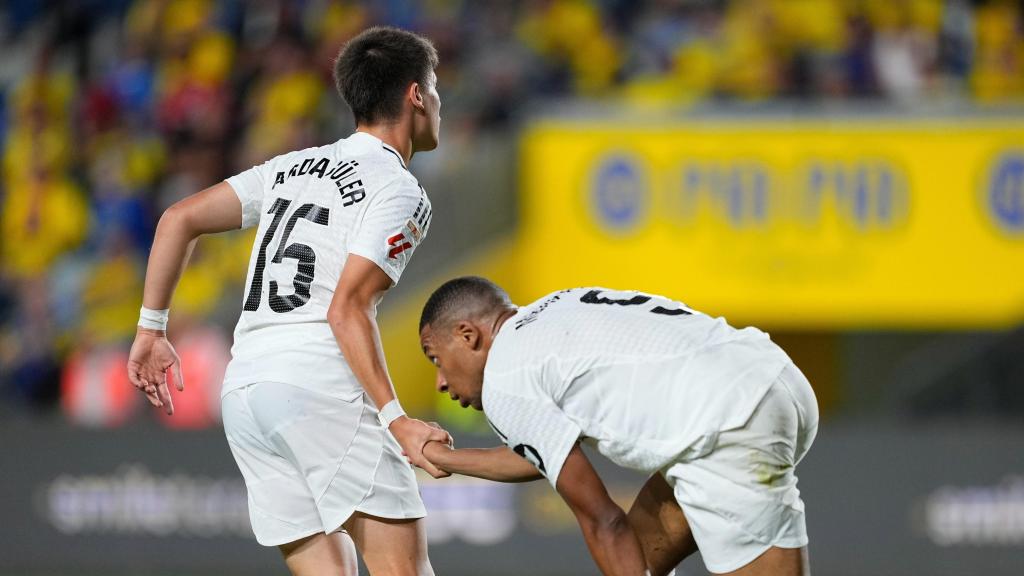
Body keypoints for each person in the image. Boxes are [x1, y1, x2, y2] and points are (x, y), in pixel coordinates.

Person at [126, 27, 451, 576]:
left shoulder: (289, 168)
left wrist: (150, 331)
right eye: (436, 87)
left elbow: (178, 219)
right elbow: (345, 309)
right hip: (317, 383)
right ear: (416, 95)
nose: (440, 101)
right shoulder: (399, 189)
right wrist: (396, 420)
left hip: (247, 388)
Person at [415, 276, 819, 576]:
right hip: (774, 378)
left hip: (727, 424)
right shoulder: (556, 306)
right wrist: (441, 457)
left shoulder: (505, 379)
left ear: (468, 335)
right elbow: (537, 455)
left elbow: (603, 520)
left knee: (620, 550)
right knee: (638, 554)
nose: (441, 382)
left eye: (435, 359)